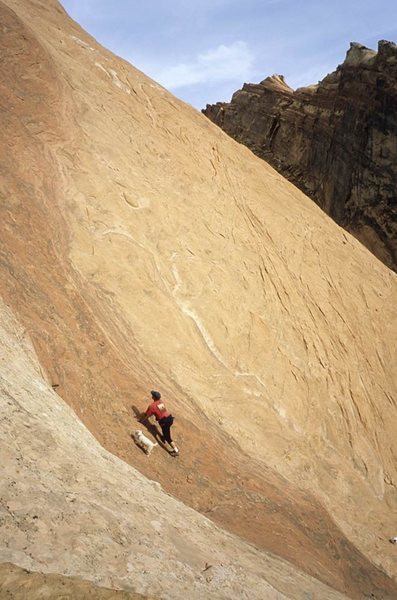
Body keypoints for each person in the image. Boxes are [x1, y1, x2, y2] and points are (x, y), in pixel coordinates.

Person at [141, 390, 179, 456]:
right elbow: (162, 412)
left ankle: (176, 450)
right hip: (169, 419)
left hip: (164, 422)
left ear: (153, 397)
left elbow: (147, 415)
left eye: (152, 395)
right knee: (166, 431)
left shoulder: (152, 406)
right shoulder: (160, 402)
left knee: (168, 438)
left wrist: (142, 420)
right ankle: (164, 436)